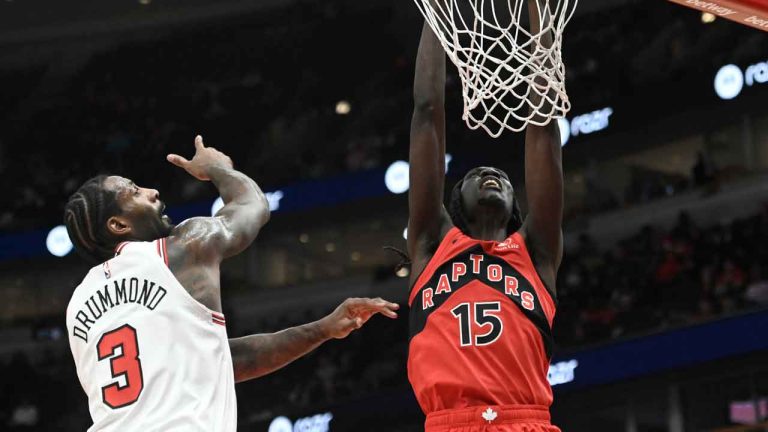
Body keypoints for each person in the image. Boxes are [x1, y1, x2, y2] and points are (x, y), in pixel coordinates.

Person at [64, 135, 399, 432]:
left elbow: (224, 361)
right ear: (118, 225)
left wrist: (323, 328)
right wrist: (218, 168)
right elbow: (251, 206)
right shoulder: (180, 249)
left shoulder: (78, 303)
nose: (152, 192)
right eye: (135, 192)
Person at [405, 2, 563, 431]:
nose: (491, 174)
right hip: (449, 422)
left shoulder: (537, 251)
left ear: (518, 205)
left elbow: (543, 124)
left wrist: (539, 14)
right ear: (455, 201)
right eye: (477, 174)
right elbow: (426, 114)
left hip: (526, 421)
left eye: (502, 177)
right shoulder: (431, 244)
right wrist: (436, 13)